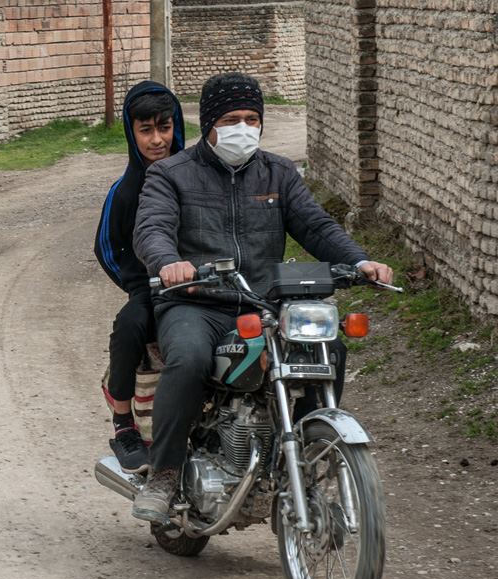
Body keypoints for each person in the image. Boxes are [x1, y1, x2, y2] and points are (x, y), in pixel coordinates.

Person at [130, 72, 394, 523]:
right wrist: (168, 262)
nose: (243, 128)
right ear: (209, 123)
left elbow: (316, 226)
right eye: (231, 119)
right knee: (190, 358)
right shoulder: (170, 174)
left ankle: (309, 451)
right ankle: (166, 472)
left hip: (262, 303)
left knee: (328, 346)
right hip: (195, 301)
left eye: (252, 119)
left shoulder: (279, 172)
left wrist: (360, 261)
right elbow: (151, 229)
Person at [94, 81, 185, 475]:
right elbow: (107, 247)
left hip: (199, 286)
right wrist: (135, 285)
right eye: (145, 130)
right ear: (131, 133)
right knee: (130, 325)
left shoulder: (196, 177)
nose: (157, 139)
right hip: (150, 288)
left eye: (164, 127)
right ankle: (123, 423)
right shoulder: (124, 191)